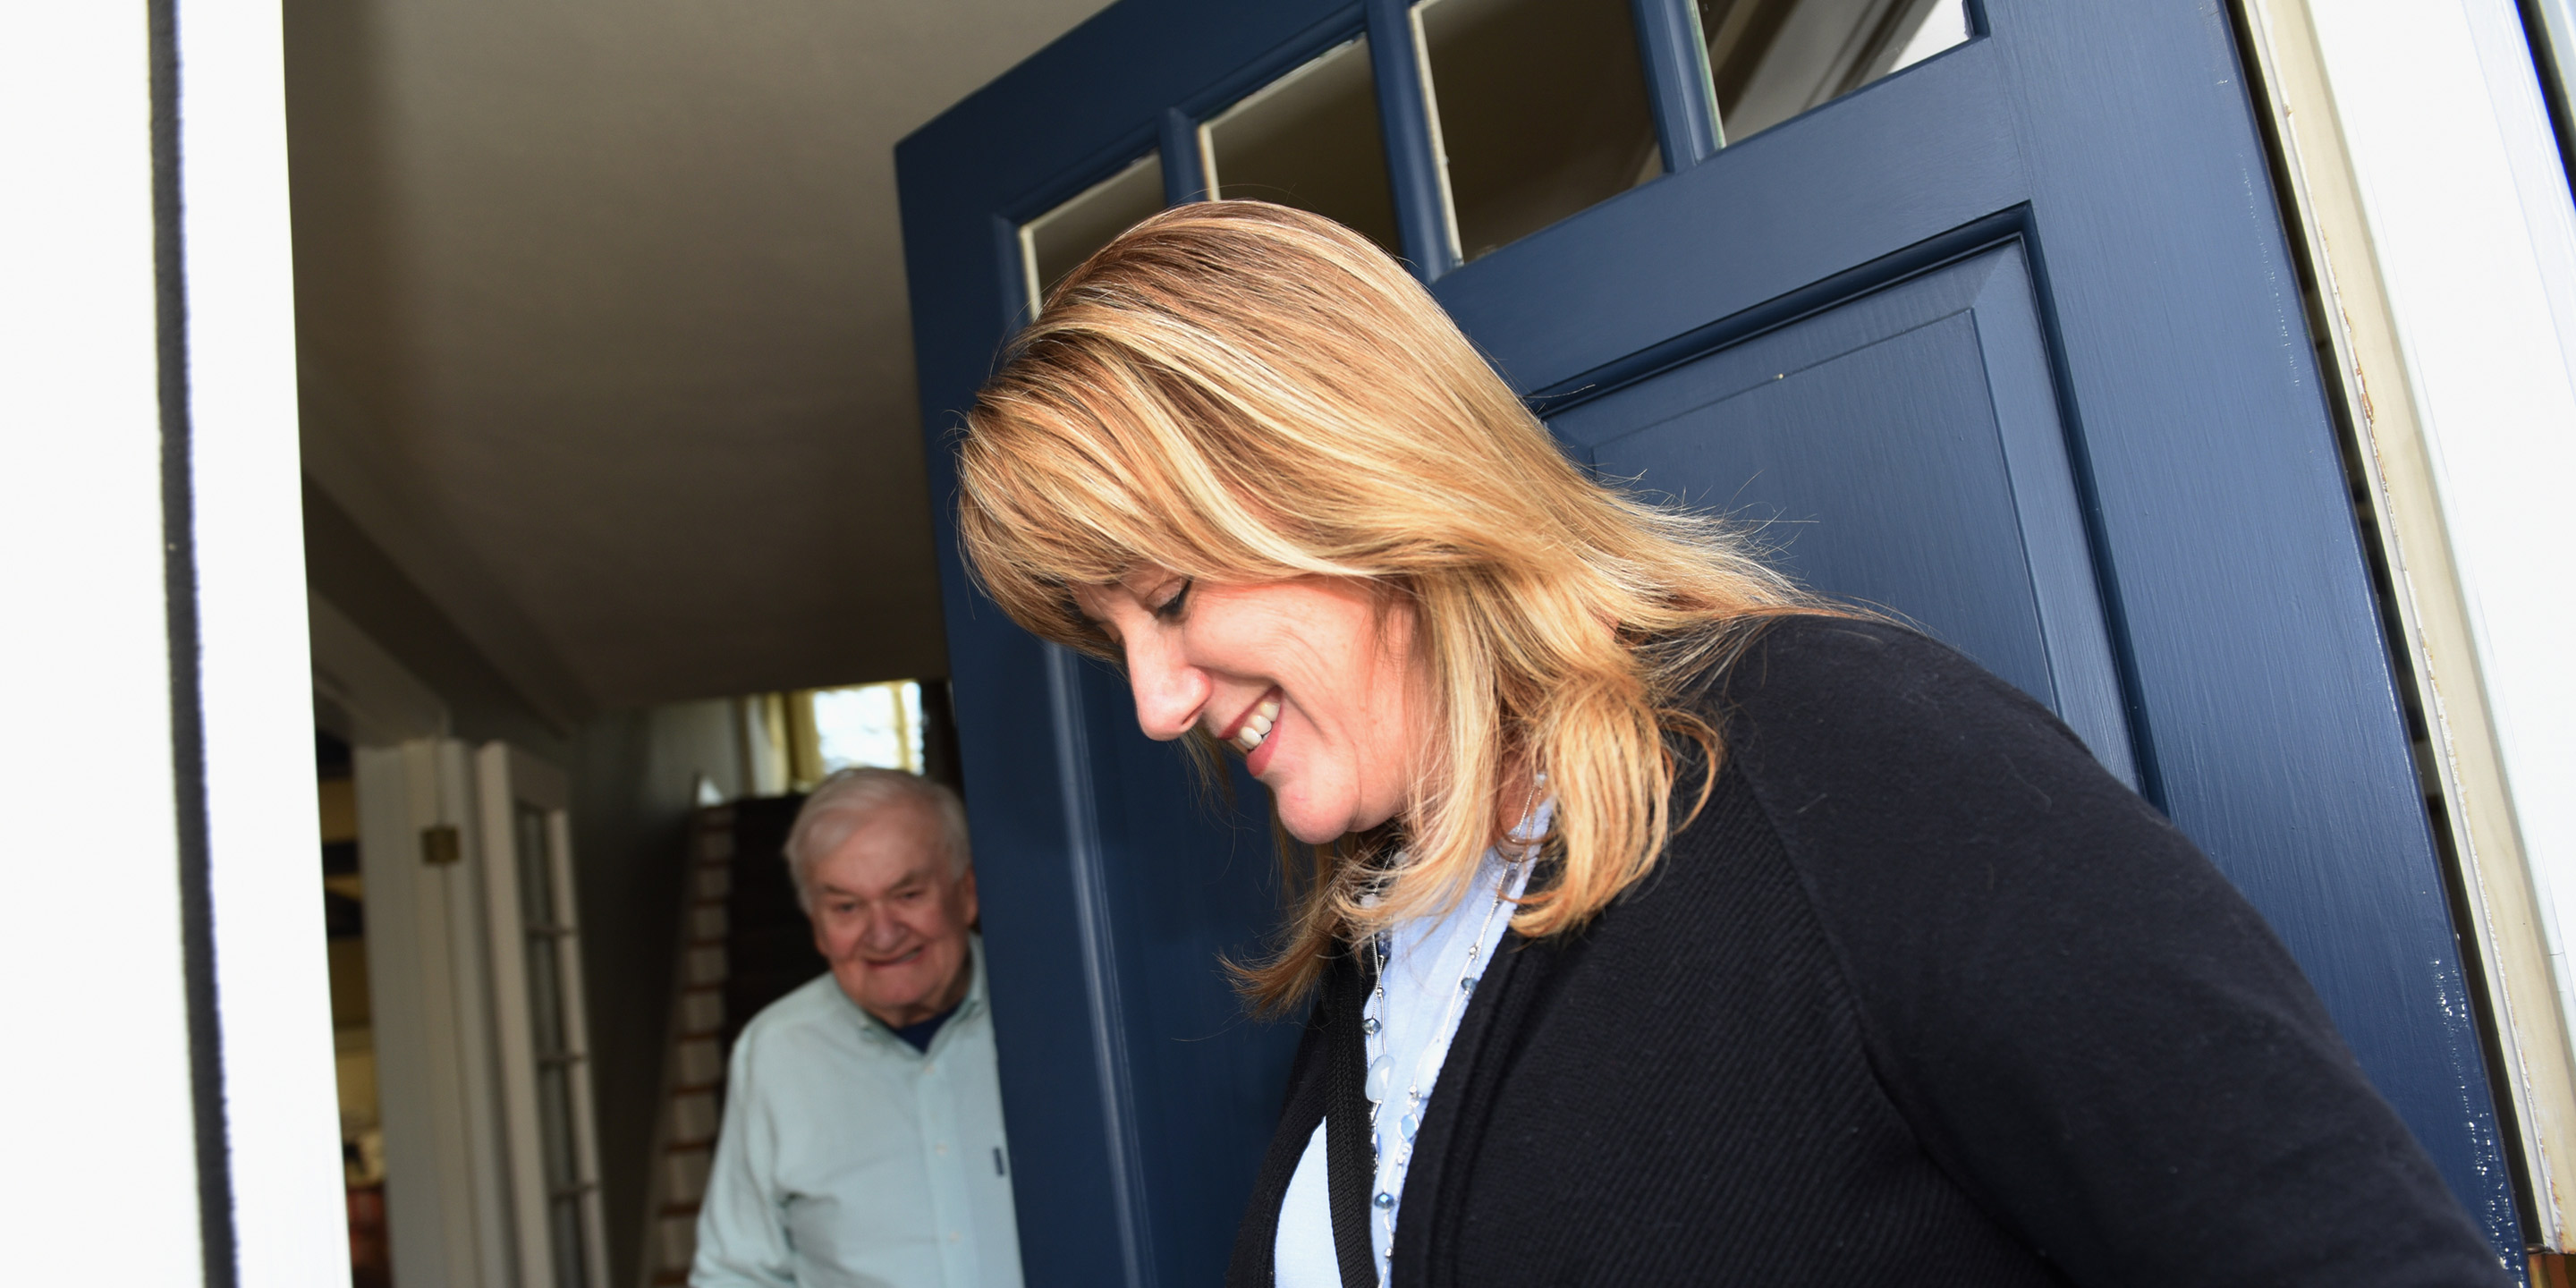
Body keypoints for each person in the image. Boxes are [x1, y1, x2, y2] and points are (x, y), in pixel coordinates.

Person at [949, 200, 2511, 1288]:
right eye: (1111, 641)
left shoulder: (1850, 762)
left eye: (1165, 596)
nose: (1154, 704)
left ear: (1359, 480)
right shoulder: (1394, 944)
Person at [692, 768, 1021, 1288]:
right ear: (817, 928)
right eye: (847, 907)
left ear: (967, 893)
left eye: (908, 894)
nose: (883, 934)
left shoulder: (1053, 1019)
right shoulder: (775, 1052)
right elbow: (737, 1272)